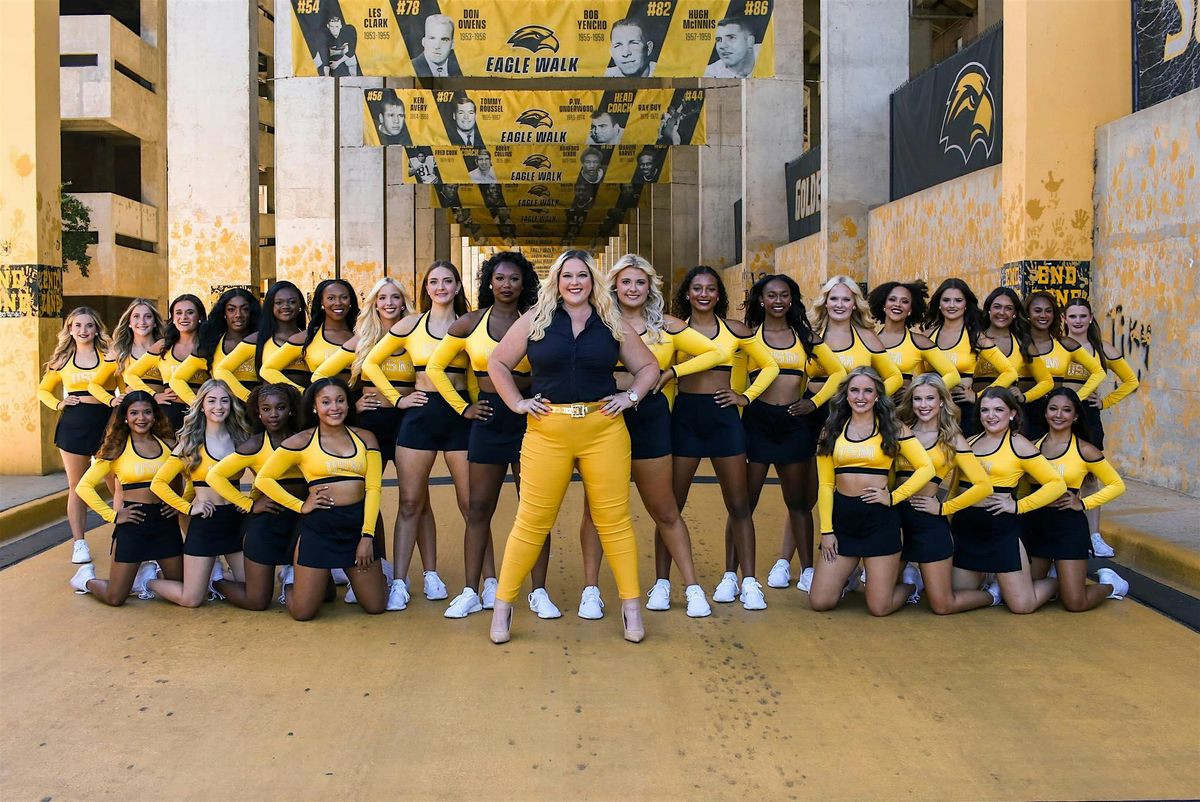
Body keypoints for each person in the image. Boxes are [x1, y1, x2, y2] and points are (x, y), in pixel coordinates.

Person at [487, 250, 660, 644]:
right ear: (556, 280)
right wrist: (517, 403)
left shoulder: (611, 320)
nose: (575, 282)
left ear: (593, 280)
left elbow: (649, 367)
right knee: (531, 520)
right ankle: (503, 605)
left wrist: (631, 397)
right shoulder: (537, 318)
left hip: (604, 428)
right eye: (567, 275)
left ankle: (632, 607)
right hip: (548, 430)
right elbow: (497, 363)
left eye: (582, 275)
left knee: (614, 521)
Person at [578, 255, 726, 619]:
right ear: (614, 286)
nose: (633, 289)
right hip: (605, 416)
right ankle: (590, 591)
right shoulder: (598, 321)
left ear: (650, 288)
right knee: (596, 510)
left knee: (665, 509)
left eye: (640, 282)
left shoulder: (667, 326)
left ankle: (692, 588)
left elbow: (716, 351)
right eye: (626, 282)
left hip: (650, 417)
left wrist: (673, 372)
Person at [426, 253, 557, 619]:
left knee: (533, 509)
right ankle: (472, 590)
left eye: (514, 278)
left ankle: (539, 591)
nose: (506, 285)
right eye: (499, 278)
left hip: (531, 417)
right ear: (489, 282)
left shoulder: (539, 321)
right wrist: (462, 407)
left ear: (524, 283)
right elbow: (435, 367)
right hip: (488, 417)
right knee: (479, 508)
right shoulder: (470, 322)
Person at [363, 262, 472, 611]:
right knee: (410, 502)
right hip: (420, 415)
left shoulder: (469, 324)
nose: (441, 287)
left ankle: (477, 582)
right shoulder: (411, 324)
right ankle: (399, 582)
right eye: (434, 281)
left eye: (447, 281)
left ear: (457, 286)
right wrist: (397, 399)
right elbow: (370, 363)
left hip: (460, 417)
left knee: (471, 506)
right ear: (426, 288)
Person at [670, 266, 779, 611]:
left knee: (740, 504)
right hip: (685, 419)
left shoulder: (736, 329)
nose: (704, 294)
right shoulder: (674, 328)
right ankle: (662, 584)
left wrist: (745, 396)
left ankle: (747, 581)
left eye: (711, 289)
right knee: (671, 507)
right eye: (697, 288)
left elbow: (771, 366)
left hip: (724, 419)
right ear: (687, 293)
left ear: (719, 294)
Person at [788, 276, 901, 592]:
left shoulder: (866, 337)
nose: (839, 304)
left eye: (846, 299)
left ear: (855, 304)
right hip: (813, 413)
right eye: (833, 298)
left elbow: (893, 376)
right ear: (824, 302)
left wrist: (872, 402)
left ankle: (858, 560)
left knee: (851, 485)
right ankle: (791, 561)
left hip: (856, 415)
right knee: (805, 491)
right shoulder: (811, 335)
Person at [742, 275, 846, 593]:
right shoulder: (749, 335)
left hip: (793, 421)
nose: (778, 300)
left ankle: (807, 570)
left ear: (792, 299)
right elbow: (734, 376)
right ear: (761, 300)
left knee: (799, 503)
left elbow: (838, 372)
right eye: (771, 295)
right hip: (757, 422)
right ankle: (735, 576)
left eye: (784, 295)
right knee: (744, 506)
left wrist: (814, 403)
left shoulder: (804, 336)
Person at [254, 378, 389, 620]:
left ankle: (358, 575)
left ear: (348, 404)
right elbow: (263, 479)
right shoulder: (301, 441)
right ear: (314, 407)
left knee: (376, 606)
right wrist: (300, 506)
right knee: (303, 613)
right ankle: (290, 581)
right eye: (326, 402)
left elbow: (373, 488)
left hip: (356, 527)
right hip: (319, 529)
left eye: (340, 400)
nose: (334, 407)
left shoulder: (366, 437)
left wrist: (367, 537)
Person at [808, 367, 934, 615]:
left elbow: (926, 468)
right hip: (843, 521)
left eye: (868, 391)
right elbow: (825, 485)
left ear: (877, 396)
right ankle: (849, 575)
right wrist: (827, 531)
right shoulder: (831, 429)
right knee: (820, 602)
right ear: (846, 395)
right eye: (854, 391)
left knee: (879, 608)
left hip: (879, 521)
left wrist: (894, 497)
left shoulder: (892, 428)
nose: (861, 397)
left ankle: (911, 585)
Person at [946, 387, 1065, 613]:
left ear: (1012, 413)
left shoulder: (1019, 444)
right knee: (958, 594)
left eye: (999, 410)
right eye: (985, 410)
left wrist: (1018, 506)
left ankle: (1059, 581)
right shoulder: (969, 442)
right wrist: (947, 520)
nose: (991, 416)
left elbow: (1056, 484)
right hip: (967, 528)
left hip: (1000, 529)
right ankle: (994, 592)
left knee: (1022, 606)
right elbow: (955, 488)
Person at [895, 374, 999, 614]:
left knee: (942, 605)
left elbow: (983, 485)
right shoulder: (901, 431)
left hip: (927, 521)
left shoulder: (952, 439)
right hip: (896, 520)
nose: (923, 405)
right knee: (882, 594)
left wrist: (944, 508)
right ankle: (913, 585)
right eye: (918, 399)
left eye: (930, 398)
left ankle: (992, 594)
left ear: (942, 401)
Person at [147, 379, 252, 608]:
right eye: (211, 401)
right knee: (192, 599)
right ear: (201, 405)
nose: (219, 406)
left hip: (235, 521)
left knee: (252, 588)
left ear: (232, 404)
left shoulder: (241, 438)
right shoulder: (191, 442)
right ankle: (147, 581)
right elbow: (159, 483)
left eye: (224, 400)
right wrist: (188, 507)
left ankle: (215, 578)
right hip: (206, 521)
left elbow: (263, 476)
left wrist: (249, 499)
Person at [69, 392, 183, 603]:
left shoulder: (169, 444)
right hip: (133, 522)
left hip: (165, 522)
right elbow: (84, 487)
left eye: (147, 412)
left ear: (155, 415)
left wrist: (178, 502)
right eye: (134, 413)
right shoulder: (117, 448)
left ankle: (146, 579)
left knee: (180, 586)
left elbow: (184, 476)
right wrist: (113, 516)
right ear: (125, 417)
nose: (141, 418)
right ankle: (85, 579)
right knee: (115, 597)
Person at [1026, 387, 1130, 609]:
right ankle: (1059, 577)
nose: (1058, 415)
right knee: (1029, 593)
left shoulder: (1085, 450)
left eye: (1066, 410)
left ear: (1075, 416)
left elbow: (1117, 485)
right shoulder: (1031, 447)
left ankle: (1111, 584)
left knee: (1075, 602)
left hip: (1068, 527)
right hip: (1036, 525)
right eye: (1053, 408)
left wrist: (1082, 503)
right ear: (1045, 412)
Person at [205, 383, 305, 610]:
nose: (273, 414)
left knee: (326, 595)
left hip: (301, 523)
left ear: (291, 408)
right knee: (257, 601)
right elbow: (215, 476)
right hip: (267, 526)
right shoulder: (255, 444)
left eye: (280, 407)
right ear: (258, 412)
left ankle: (289, 576)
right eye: (266, 409)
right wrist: (249, 504)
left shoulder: (304, 439)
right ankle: (216, 580)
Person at [37, 307, 117, 564]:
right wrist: (58, 404)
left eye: (89, 325)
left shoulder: (108, 355)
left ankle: (123, 534)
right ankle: (79, 543)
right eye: (78, 325)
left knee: (116, 481)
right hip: (74, 424)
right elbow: (43, 390)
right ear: (70, 329)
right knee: (77, 485)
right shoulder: (62, 360)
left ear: (96, 329)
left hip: (107, 422)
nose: (84, 330)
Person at [1063, 298, 1140, 557]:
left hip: (1087, 416)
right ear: (1065, 319)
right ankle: (1063, 535)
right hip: (1057, 415)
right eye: (1072, 316)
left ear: (1090, 318)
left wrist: (1105, 402)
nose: (1077, 321)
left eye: (1082, 316)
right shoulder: (1057, 345)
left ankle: (1094, 535)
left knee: (1089, 476)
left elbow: (1130, 381)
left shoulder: (1102, 348)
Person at [922, 278, 1016, 437]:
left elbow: (1010, 372)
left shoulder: (976, 337)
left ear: (966, 305)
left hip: (963, 410)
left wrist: (979, 396)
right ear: (939, 304)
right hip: (929, 409)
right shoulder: (926, 336)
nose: (952, 305)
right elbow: (918, 375)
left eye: (958, 300)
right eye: (946, 300)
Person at [1024, 292, 1105, 440]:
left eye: (1048, 311)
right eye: (1037, 310)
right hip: (1026, 412)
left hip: (1057, 414)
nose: (1043, 315)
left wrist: (1077, 398)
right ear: (1028, 314)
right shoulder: (1018, 343)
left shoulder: (1065, 343)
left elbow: (1098, 371)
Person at [125, 294, 208, 432]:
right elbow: (130, 375)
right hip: (169, 414)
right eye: (178, 313)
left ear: (200, 316)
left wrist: (201, 406)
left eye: (190, 312)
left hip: (202, 414)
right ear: (173, 318)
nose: (184, 317)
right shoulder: (163, 346)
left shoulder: (209, 345)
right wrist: (153, 395)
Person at [217, 281, 308, 401]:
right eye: (278, 302)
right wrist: (250, 398)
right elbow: (221, 371)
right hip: (273, 409)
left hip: (306, 407)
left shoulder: (310, 337)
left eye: (292, 302)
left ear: (300, 305)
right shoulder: (258, 339)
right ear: (270, 306)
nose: (286, 306)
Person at [261, 279, 358, 391]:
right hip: (322, 400)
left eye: (344, 297)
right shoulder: (307, 337)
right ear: (321, 302)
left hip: (357, 399)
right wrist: (302, 392)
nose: (338, 303)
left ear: (350, 301)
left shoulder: (361, 335)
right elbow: (267, 370)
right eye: (331, 298)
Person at [867, 280, 961, 395]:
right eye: (892, 299)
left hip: (903, 405)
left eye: (905, 301)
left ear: (911, 309)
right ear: (883, 305)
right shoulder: (868, 340)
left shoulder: (919, 342)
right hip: (871, 404)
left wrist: (919, 392)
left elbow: (953, 375)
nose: (897, 304)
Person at [974, 286, 1054, 408]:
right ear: (989, 309)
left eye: (1008, 308)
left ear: (1015, 313)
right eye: (997, 307)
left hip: (1009, 411)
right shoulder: (974, 339)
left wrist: (1025, 397)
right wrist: (974, 396)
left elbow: (1047, 381)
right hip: (975, 408)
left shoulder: (1023, 343)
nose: (1002, 312)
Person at [178, 288, 261, 404]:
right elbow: (177, 379)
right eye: (231, 310)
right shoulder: (211, 344)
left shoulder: (261, 342)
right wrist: (198, 405)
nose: (238, 315)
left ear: (251, 312)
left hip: (255, 411)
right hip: (222, 411)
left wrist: (255, 404)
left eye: (245, 309)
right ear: (223, 313)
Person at [89, 298, 165, 409]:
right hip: (131, 411)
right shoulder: (119, 352)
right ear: (129, 322)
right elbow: (93, 385)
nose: (142, 322)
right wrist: (111, 400)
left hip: (162, 410)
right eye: (136, 316)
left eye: (148, 316)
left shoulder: (165, 348)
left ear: (155, 322)